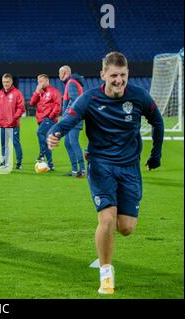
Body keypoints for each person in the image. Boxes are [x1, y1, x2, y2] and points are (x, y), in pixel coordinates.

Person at [47, 52, 164, 295]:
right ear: (103, 75)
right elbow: (70, 117)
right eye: (114, 75)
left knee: (126, 228)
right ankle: (106, 272)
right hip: (101, 164)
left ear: (128, 74)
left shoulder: (139, 96)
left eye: (123, 75)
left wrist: (156, 155)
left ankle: (103, 250)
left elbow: (157, 122)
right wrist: (56, 132)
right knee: (107, 219)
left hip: (130, 167)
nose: (119, 80)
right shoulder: (89, 98)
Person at [29, 74, 61, 171]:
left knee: (40, 133)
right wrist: (36, 92)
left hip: (49, 119)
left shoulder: (54, 92)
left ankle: (42, 153)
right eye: (38, 82)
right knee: (47, 142)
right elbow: (31, 103)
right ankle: (51, 165)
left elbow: (58, 105)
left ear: (47, 81)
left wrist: (50, 117)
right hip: (40, 120)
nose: (40, 83)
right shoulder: (40, 93)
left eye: (41, 81)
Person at [58, 65, 86, 177]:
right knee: (68, 143)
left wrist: (65, 115)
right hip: (73, 117)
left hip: (73, 118)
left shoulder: (71, 83)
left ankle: (82, 170)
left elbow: (75, 100)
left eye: (59, 73)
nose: (59, 76)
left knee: (73, 142)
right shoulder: (72, 82)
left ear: (64, 73)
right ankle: (75, 170)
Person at [0, 73, 25, 170]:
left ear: (11, 82)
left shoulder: (17, 93)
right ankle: (4, 162)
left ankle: (19, 163)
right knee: (3, 144)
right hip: (2, 124)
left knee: (16, 144)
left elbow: (21, 108)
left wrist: (14, 118)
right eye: (4, 82)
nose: (5, 84)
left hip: (13, 125)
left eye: (7, 82)